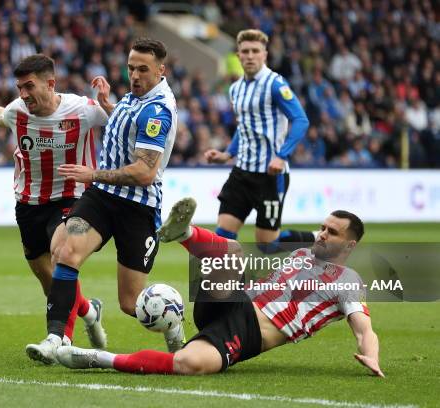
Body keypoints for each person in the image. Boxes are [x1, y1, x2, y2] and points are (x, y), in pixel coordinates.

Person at [56, 197, 384, 378]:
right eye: (323, 227)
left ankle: (98, 358)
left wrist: (371, 357)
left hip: (250, 332)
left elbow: (364, 328)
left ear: (349, 245)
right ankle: (183, 234)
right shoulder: (301, 253)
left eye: (332, 232)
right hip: (234, 303)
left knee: (189, 365)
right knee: (232, 253)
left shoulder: (348, 281)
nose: (322, 234)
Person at [26, 38, 180, 364]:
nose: (134, 75)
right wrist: (108, 104)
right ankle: (56, 338)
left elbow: (144, 173)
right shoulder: (134, 97)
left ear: (161, 71)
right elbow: (124, 128)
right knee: (66, 252)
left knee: (131, 302)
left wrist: (92, 174)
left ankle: (172, 323)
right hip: (102, 198)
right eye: (130, 68)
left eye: (142, 70)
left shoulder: (158, 110)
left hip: (137, 206)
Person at [0, 54, 108, 351]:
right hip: (29, 202)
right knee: (47, 278)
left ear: (50, 84)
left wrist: (110, 102)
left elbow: (119, 121)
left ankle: (60, 338)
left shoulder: (83, 110)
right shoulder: (17, 110)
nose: (23, 94)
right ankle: (89, 311)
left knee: (62, 253)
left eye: (29, 86)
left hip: (70, 196)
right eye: (19, 87)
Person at [204, 29, 315, 253]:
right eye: (246, 51)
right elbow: (245, 126)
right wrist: (227, 154)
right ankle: (227, 286)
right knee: (222, 238)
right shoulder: (235, 89)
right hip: (241, 173)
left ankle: (317, 238)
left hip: (270, 176)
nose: (250, 55)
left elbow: (301, 120)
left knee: (267, 245)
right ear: (238, 55)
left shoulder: (275, 84)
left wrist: (281, 156)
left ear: (265, 54)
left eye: (256, 51)